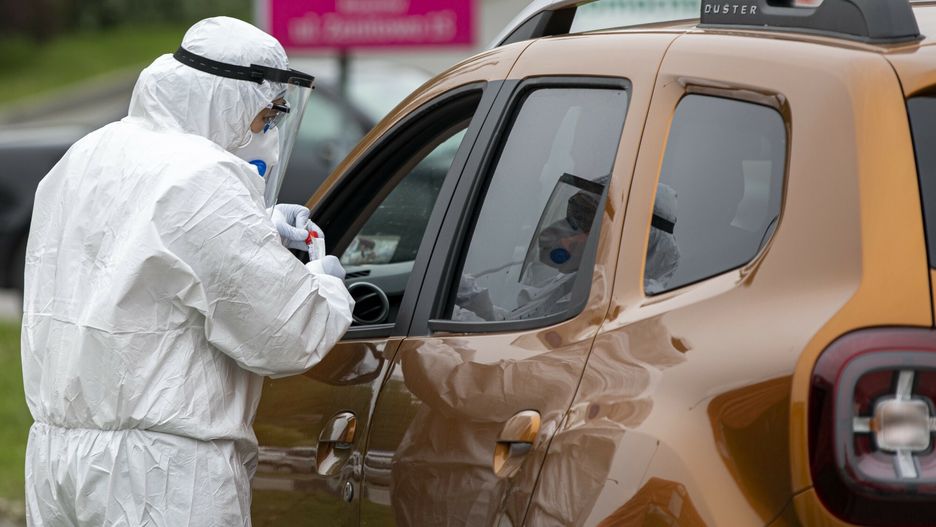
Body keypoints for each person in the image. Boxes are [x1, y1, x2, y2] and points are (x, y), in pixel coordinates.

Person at [21, 17, 354, 526]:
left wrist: (257, 226)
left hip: (57, 461)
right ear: (228, 102)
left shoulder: (87, 155)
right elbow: (287, 334)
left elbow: (132, 255)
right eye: (265, 115)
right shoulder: (203, 176)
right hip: (161, 475)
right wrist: (327, 284)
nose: (266, 131)